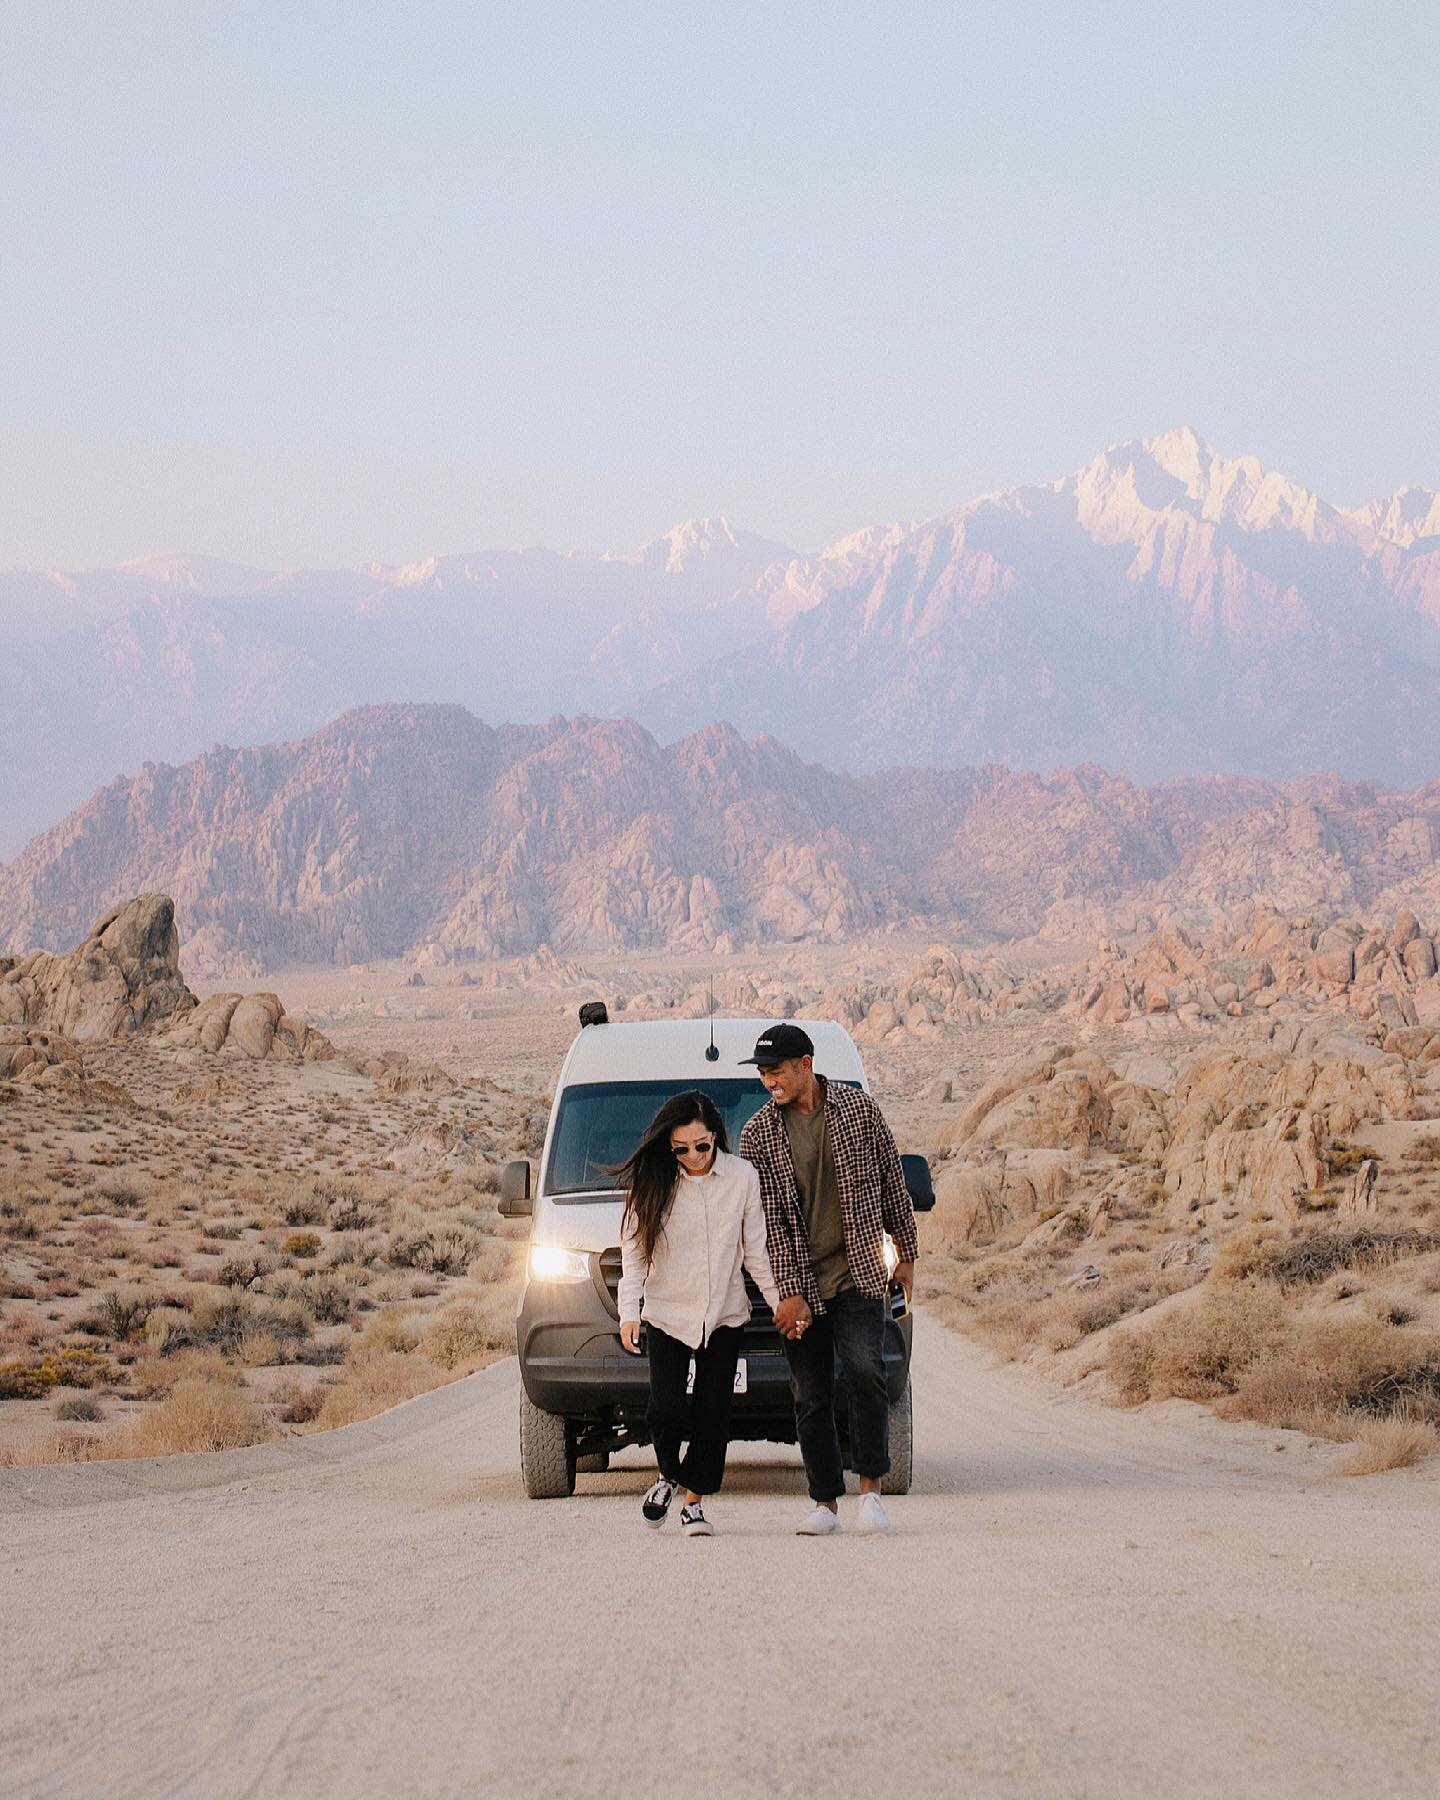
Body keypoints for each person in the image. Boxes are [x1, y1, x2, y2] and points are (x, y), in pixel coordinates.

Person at [738, 1023, 918, 1535]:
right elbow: (770, 1224)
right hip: (801, 1286)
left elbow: (890, 1181)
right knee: (809, 1392)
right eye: (763, 1073)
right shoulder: (757, 1135)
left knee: (866, 1373)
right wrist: (789, 1294)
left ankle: (871, 1493)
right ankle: (824, 1502)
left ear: (806, 1065)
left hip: (859, 1272)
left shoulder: (858, 1111)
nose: (768, 1081)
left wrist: (905, 1253)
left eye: (776, 1071)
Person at [615, 1090, 783, 1536]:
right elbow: (634, 1257)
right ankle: (668, 1474)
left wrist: (780, 1300)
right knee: (665, 1410)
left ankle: (693, 1503)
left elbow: (756, 1252)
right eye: (681, 1149)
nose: (693, 1156)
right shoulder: (653, 1182)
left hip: (726, 1314)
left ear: (716, 1138)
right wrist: (628, 1313)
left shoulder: (742, 1177)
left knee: (714, 1414)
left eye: (702, 1146)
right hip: (668, 1314)